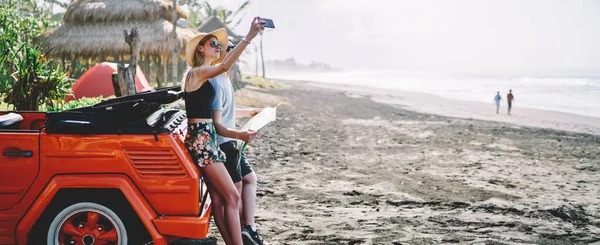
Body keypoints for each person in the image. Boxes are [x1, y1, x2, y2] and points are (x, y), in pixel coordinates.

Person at [182, 18, 264, 245]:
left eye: (220, 46)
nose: (218, 48)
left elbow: (223, 68)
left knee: (220, 199)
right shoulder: (196, 73)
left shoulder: (205, 76)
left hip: (206, 137)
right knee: (232, 195)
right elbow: (225, 65)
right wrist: (248, 38)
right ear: (200, 48)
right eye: (213, 45)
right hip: (202, 138)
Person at [210, 40, 264, 245]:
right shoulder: (215, 81)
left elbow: (226, 111)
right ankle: (241, 234)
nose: (233, 56)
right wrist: (239, 135)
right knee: (232, 196)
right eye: (229, 51)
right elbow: (215, 121)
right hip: (225, 143)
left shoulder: (224, 78)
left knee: (250, 178)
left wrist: (248, 112)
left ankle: (248, 228)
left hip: (230, 142)